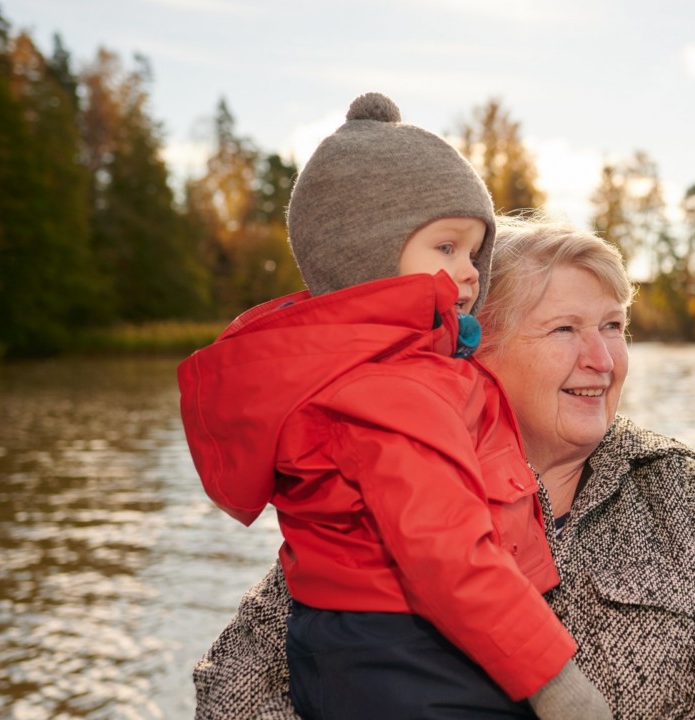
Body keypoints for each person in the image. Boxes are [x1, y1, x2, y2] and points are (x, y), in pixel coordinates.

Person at [193, 216, 695, 719]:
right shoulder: (382, 481)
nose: (601, 358)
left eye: (614, 326)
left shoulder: (677, 493)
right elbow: (235, 686)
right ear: (477, 349)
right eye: (564, 330)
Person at [178, 93, 610, 720]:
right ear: (369, 255)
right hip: (407, 654)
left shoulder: (373, 369)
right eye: (446, 247)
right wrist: (555, 681)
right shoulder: (392, 390)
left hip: (369, 649)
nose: (469, 273)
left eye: (474, 252)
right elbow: (447, 553)